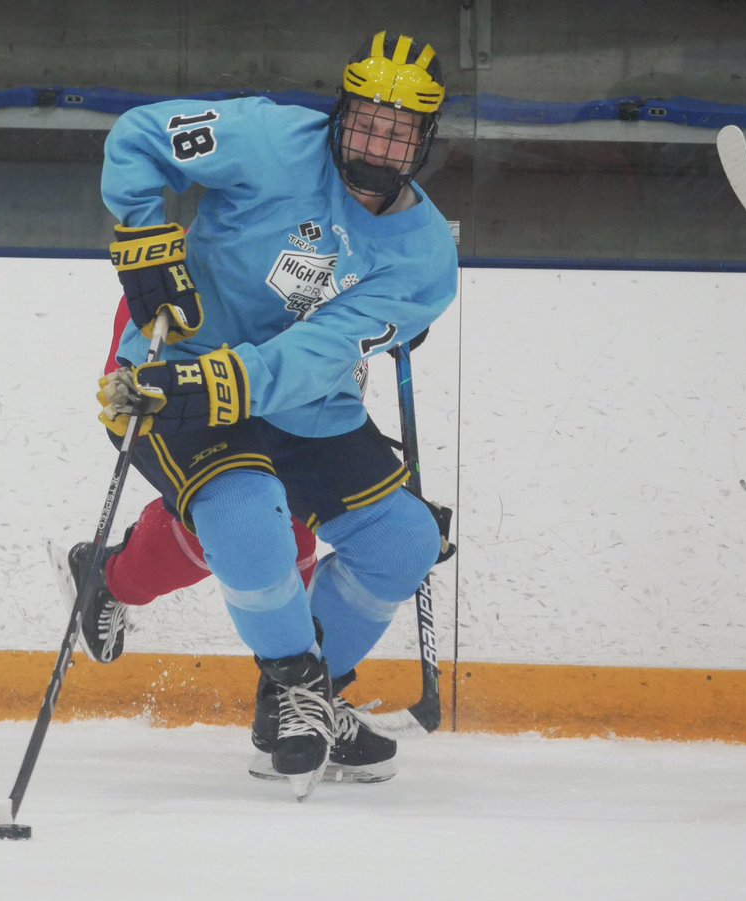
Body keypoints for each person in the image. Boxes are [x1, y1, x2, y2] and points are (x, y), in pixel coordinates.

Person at [67, 30, 457, 800]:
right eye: (367, 119)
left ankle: (292, 701)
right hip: (172, 361)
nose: (377, 141)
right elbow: (140, 135)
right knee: (252, 520)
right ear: (341, 112)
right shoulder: (272, 137)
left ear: (424, 141)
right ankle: (301, 689)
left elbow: (321, 352)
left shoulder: (422, 257)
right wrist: (145, 238)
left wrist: (230, 383)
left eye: (399, 129)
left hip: (295, 396)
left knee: (404, 535)